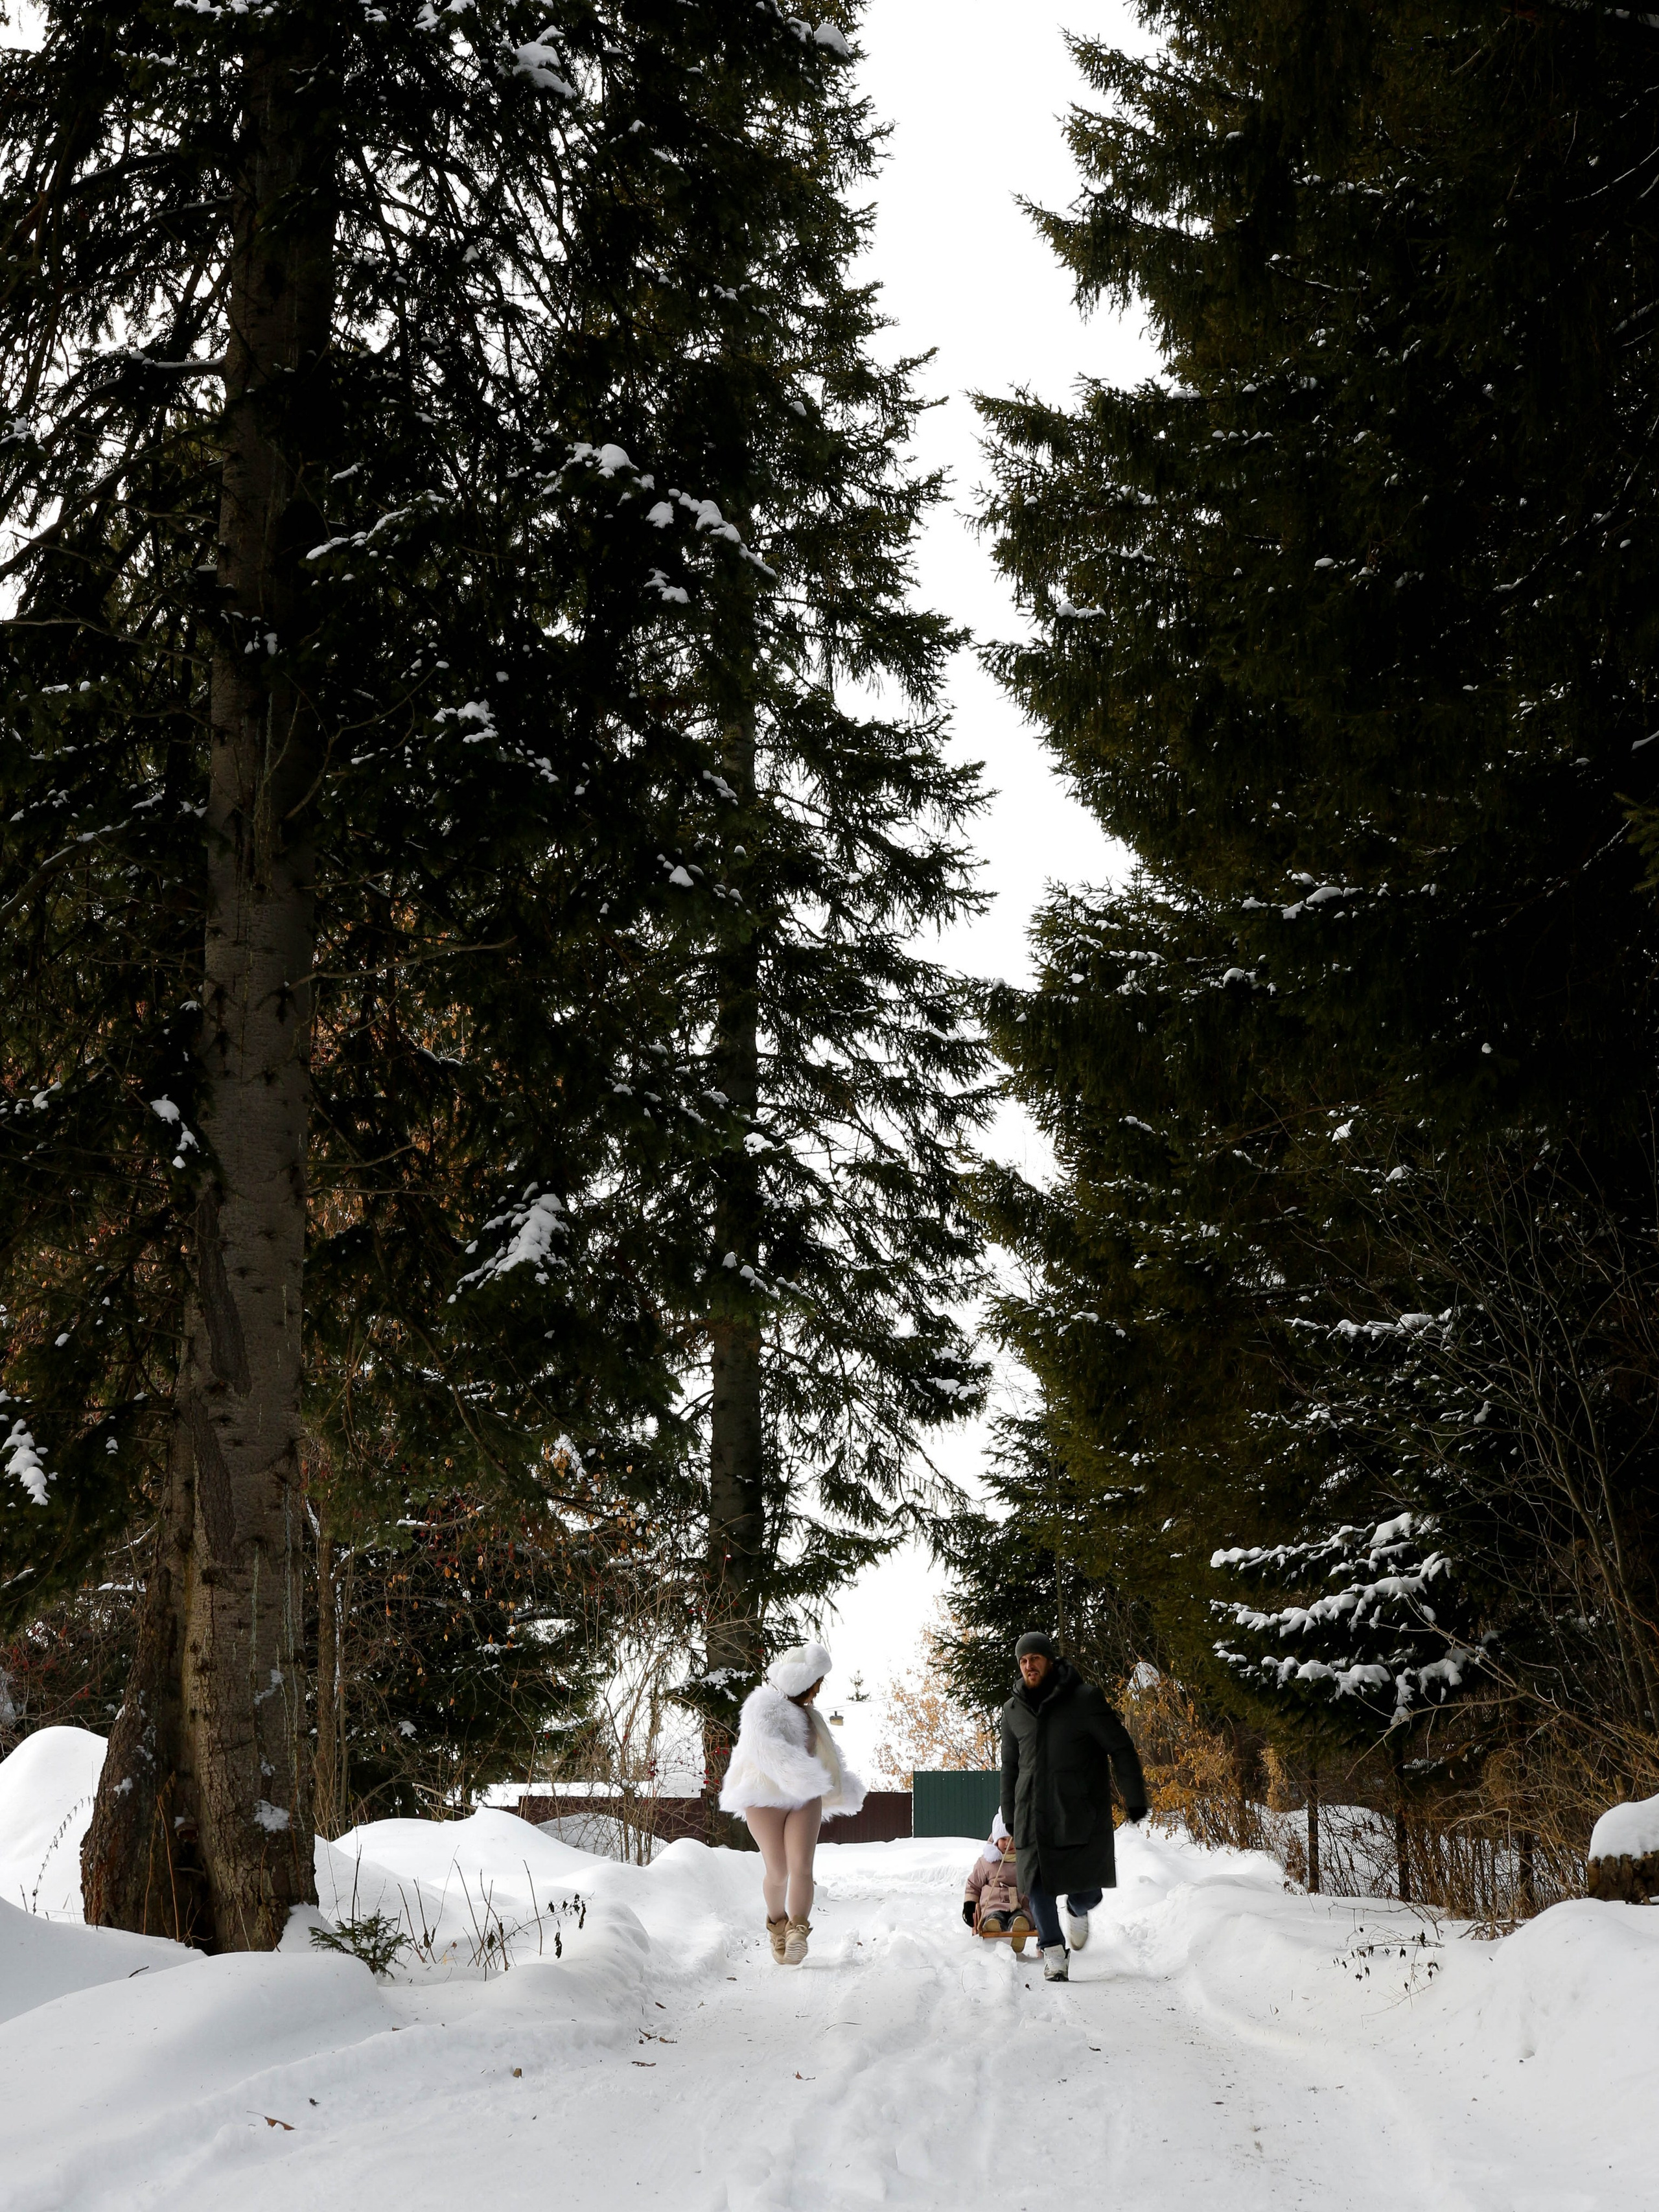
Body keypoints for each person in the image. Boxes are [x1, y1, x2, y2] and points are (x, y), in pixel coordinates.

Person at [1000, 1629, 1148, 1983]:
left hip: (1078, 1812)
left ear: (1050, 1660)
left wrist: (1135, 1797)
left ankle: (1077, 1909)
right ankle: (1054, 1952)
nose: (1028, 1665)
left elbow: (1121, 1748)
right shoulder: (1012, 1711)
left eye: (1034, 1658)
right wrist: (1009, 1813)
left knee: (1086, 1890)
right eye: (1022, 1661)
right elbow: (1010, 1766)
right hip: (1031, 1814)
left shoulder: (1084, 1700)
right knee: (1036, 1887)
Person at [719, 1640, 866, 1965]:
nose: (816, 1693)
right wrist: (804, 1777)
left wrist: (839, 1783)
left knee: (802, 1867)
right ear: (800, 1681)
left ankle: (798, 1930)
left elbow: (826, 1757)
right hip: (764, 1797)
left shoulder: (810, 1715)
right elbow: (767, 1750)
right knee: (779, 1871)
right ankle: (778, 1928)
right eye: (814, 1686)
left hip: (804, 1797)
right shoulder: (762, 1705)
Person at [962, 1810, 1034, 1952]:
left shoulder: (1026, 1861)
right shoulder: (987, 1862)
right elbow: (973, 1885)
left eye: (1013, 1839)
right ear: (996, 1841)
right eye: (1003, 1840)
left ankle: (1019, 1930)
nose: (1009, 1844)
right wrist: (970, 1905)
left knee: (1022, 1917)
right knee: (995, 1916)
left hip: (1021, 1905)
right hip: (993, 1905)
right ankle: (992, 1924)